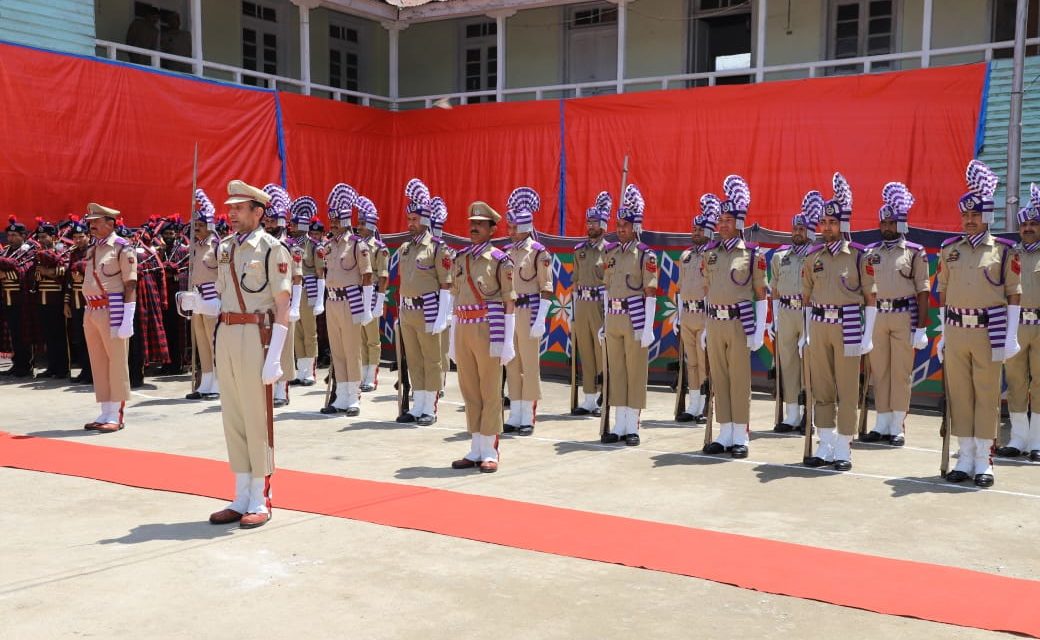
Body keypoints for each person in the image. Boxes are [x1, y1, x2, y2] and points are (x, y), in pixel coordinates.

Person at [207, 180, 292, 529]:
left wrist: (275, 355)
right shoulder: (225, 248)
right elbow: (222, 292)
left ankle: (261, 495)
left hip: (257, 334)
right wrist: (201, 303)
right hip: (226, 332)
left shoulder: (273, 250)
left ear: (258, 212)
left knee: (257, 417)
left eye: (239, 208)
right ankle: (240, 494)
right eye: (230, 208)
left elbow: (283, 304)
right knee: (234, 415)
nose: (232, 213)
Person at [938, 161, 1021, 487]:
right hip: (957, 331)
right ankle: (965, 456)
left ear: (987, 217)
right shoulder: (950, 251)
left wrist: (1011, 336)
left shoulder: (1003, 251)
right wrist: (944, 335)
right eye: (965, 216)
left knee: (986, 396)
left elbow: (1014, 294)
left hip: (989, 332)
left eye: (975, 216)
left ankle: (984, 460)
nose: (969, 221)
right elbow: (943, 295)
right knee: (960, 395)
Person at [801, 173, 877, 472]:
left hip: (848, 325)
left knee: (846, 389)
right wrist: (807, 334)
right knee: (822, 388)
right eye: (825, 223)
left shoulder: (860, 257)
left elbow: (871, 298)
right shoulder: (812, 257)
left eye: (833, 223)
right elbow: (807, 300)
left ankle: (844, 447)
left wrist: (867, 336)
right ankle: (825, 442)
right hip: (819, 325)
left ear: (844, 223)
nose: (828, 227)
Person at [701, 176, 769, 458]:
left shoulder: (753, 254)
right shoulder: (710, 253)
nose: (723, 225)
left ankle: (741, 434)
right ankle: (725, 431)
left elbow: (762, 294)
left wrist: (759, 332)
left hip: (740, 323)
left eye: (728, 220)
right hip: (715, 322)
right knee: (720, 378)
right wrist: (705, 326)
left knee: (739, 380)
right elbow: (707, 290)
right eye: (721, 220)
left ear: (739, 222)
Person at [860, 183, 930, 446]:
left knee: (900, 373)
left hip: (903, 315)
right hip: (877, 315)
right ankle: (881, 423)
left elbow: (923, 290)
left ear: (902, 223)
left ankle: (897, 425)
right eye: (884, 223)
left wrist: (921, 328)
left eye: (892, 222)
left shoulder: (914, 252)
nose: (887, 227)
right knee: (880, 371)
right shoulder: (870, 253)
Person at [449, 202, 516, 473]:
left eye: (480, 223)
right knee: (470, 390)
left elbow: (509, 301)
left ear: (492, 228)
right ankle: (475, 447)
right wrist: (453, 338)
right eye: (471, 222)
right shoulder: (460, 258)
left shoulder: (500, 259)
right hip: (464, 326)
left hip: (490, 328)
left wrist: (508, 340)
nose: (473, 227)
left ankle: (490, 450)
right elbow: (455, 297)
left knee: (490, 390)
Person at [601, 184, 658, 446]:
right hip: (613, 317)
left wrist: (648, 327)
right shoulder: (610, 253)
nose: (621, 228)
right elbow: (606, 288)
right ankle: (618, 424)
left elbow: (650, 291)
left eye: (626, 225)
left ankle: (632, 425)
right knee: (617, 371)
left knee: (635, 372)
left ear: (635, 226)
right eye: (618, 224)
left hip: (635, 317)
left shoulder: (646, 254)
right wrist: (604, 321)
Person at [395, 178, 453, 425]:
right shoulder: (405, 248)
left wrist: (442, 316)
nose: (410, 224)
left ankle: (429, 407)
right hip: (407, 311)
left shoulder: (438, 249)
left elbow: (446, 284)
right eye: (409, 219)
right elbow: (403, 282)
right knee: (414, 360)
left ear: (426, 221)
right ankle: (417, 405)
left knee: (431, 360)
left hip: (428, 310)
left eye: (414, 220)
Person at [81, 204, 137, 433]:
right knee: (99, 363)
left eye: (97, 221)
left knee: (116, 363)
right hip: (91, 309)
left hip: (112, 309)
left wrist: (128, 318)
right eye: (90, 221)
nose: (91, 225)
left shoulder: (123, 248)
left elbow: (130, 283)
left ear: (110, 223)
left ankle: (116, 414)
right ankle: (105, 411)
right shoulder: (94, 248)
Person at [769, 191, 822, 432]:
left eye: (802, 229)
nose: (797, 233)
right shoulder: (780, 256)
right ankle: (791, 413)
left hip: (808, 313)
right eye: (795, 229)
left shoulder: (818, 256)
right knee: (788, 363)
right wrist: (774, 320)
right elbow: (774, 290)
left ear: (810, 231)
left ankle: (809, 413)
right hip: (786, 312)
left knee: (810, 365)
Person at [319, 185, 373, 416]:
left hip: (351, 300)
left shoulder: (358, 245)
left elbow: (367, 275)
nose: (332, 225)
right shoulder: (330, 245)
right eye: (331, 221)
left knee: (352, 350)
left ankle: (354, 397)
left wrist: (368, 307)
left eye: (336, 221)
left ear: (346, 221)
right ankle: (341, 395)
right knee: (337, 350)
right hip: (332, 301)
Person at [504, 187, 552, 436]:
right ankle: (515, 413)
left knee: (530, 365)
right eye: (509, 226)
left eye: (513, 227)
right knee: (512, 363)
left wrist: (540, 319)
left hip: (530, 311)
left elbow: (546, 287)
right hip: (510, 312)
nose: (509, 231)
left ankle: (528, 417)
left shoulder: (538, 252)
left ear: (524, 226)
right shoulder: (507, 251)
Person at [998, 183, 1040, 462]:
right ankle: (1018, 438)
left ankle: (1037, 440)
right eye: (1024, 224)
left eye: (1034, 224)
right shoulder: (1009, 254)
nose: (1027, 229)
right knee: (1014, 382)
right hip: (1015, 326)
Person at [674, 194, 717, 424]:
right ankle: (693, 404)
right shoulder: (686, 256)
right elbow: (680, 288)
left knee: (704, 362)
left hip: (704, 314)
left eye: (700, 230)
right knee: (691, 362)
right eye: (694, 229)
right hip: (688, 314)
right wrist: (678, 316)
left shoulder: (712, 257)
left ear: (709, 231)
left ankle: (706, 406)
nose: (695, 233)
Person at [570, 191, 610, 416]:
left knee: (600, 351)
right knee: (585, 350)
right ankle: (589, 397)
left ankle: (604, 394)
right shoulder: (580, 251)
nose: (590, 226)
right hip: (582, 303)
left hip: (600, 304)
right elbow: (574, 282)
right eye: (588, 222)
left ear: (603, 224)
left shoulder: (609, 251)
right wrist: (573, 312)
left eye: (594, 223)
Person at [182, 189, 222, 400]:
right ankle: (205, 382)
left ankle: (217, 383)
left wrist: (219, 300)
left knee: (214, 342)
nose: (195, 229)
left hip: (212, 299)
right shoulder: (196, 247)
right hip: (197, 299)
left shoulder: (218, 247)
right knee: (202, 343)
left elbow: (224, 275)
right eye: (194, 226)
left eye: (199, 225)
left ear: (210, 225)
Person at [262, 184, 299, 408]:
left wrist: (294, 307)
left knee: (284, 345)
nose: (268, 224)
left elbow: (297, 278)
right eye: (266, 221)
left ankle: (282, 389)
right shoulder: (263, 244)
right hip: (265, 301)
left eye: (272, 221)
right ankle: (267, 386)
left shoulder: (291, 246)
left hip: (283, 301)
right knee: (266, 344)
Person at [287, 197, 325, 387]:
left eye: (294, 224)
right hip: (295, 290)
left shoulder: (314, 246)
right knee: (297, 331)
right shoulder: (291, 244)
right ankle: (300, 370)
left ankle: (309, 371)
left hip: (309, 290)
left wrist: (319, 300)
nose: (291, 227)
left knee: (310, 331)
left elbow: (320, 273)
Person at [356, 193, 390, 392]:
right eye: (358, 223)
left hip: (373, 294)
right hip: (357, 294)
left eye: (362, 223)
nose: (358, 227)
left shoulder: (379, 248)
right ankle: (362, 373)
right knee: (360, 337)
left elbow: (383, 276)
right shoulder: (355, 245)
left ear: (371, 225)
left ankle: (372, 375)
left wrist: (379, 302)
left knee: (371, 339)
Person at [33, 218, 70, 378]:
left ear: (53, 237)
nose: (41, 240)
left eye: (44, 237)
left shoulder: (62, 251)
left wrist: (47, 272)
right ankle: (52, 367)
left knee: (59, 335)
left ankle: (62, 369)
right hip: (42, 299)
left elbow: (64, 272)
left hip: (57, 299)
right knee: (48, 335)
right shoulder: (37, 254)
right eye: (39, 238)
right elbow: (35, 274)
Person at [0, 216, 36, 377]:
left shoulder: (28, 251)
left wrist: (4, 273)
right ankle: (17, 364)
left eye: (15, 235)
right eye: (10, 235)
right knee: (12, 333)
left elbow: (22, 271)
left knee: (23, 333)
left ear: (23, 236)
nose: (11, 238)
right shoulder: (6, 251)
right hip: (5, 297)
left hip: (21, 299)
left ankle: (26, 365)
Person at [64, 219, 93, 383]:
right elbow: (68, 280)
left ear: (88, 236)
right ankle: (84, 370)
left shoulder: (94, 251)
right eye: (75, 237)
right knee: (79, 338)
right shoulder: (73, 253)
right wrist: (66, 303)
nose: (78, 240)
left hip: (90, 300)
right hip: (75, 301)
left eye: (81, 236)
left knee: (91, 339)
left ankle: (92, 372)